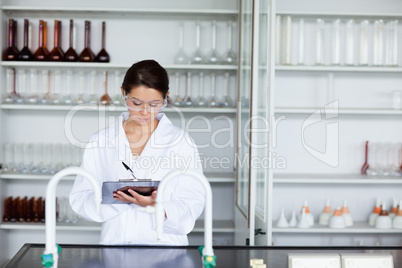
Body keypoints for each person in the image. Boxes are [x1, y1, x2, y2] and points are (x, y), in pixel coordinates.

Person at [69, 59, 205, 245]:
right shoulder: (100, 141)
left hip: (166, 251)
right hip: (115, 247)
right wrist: (119, 199)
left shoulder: (180, 142)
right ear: (123, 93)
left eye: (155, 104)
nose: (145, 112)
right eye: (136, 102)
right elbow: (80, 198)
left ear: (166, 97)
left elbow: (193, 203)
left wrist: (157, 206)